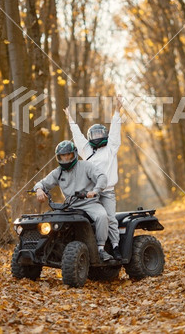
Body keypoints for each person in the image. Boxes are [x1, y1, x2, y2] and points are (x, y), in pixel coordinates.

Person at [64, 95, 123, 260]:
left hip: (108, 192)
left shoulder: (111, 148)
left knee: (110, 218)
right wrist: (70, 119)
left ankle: (115, 247)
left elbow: (116, 131)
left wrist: (117, 111)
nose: (97, 136)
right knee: (88, 219)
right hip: (90, 194)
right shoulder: (87, 152)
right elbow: (78, 136)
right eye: (94, 134)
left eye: (100, 133)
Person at [33, 140, 113, 262]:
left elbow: (102, 177)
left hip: (89, 203)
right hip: (70, 206)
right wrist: (39, 189)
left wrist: (96, 190)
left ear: (74, 154)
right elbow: (42, 183)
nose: (65, 158)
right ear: (58, 157)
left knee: (102, 216)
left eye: (68, 155)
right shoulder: (58, 172)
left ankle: (101, 249)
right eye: (62, 156)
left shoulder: (86, 166)